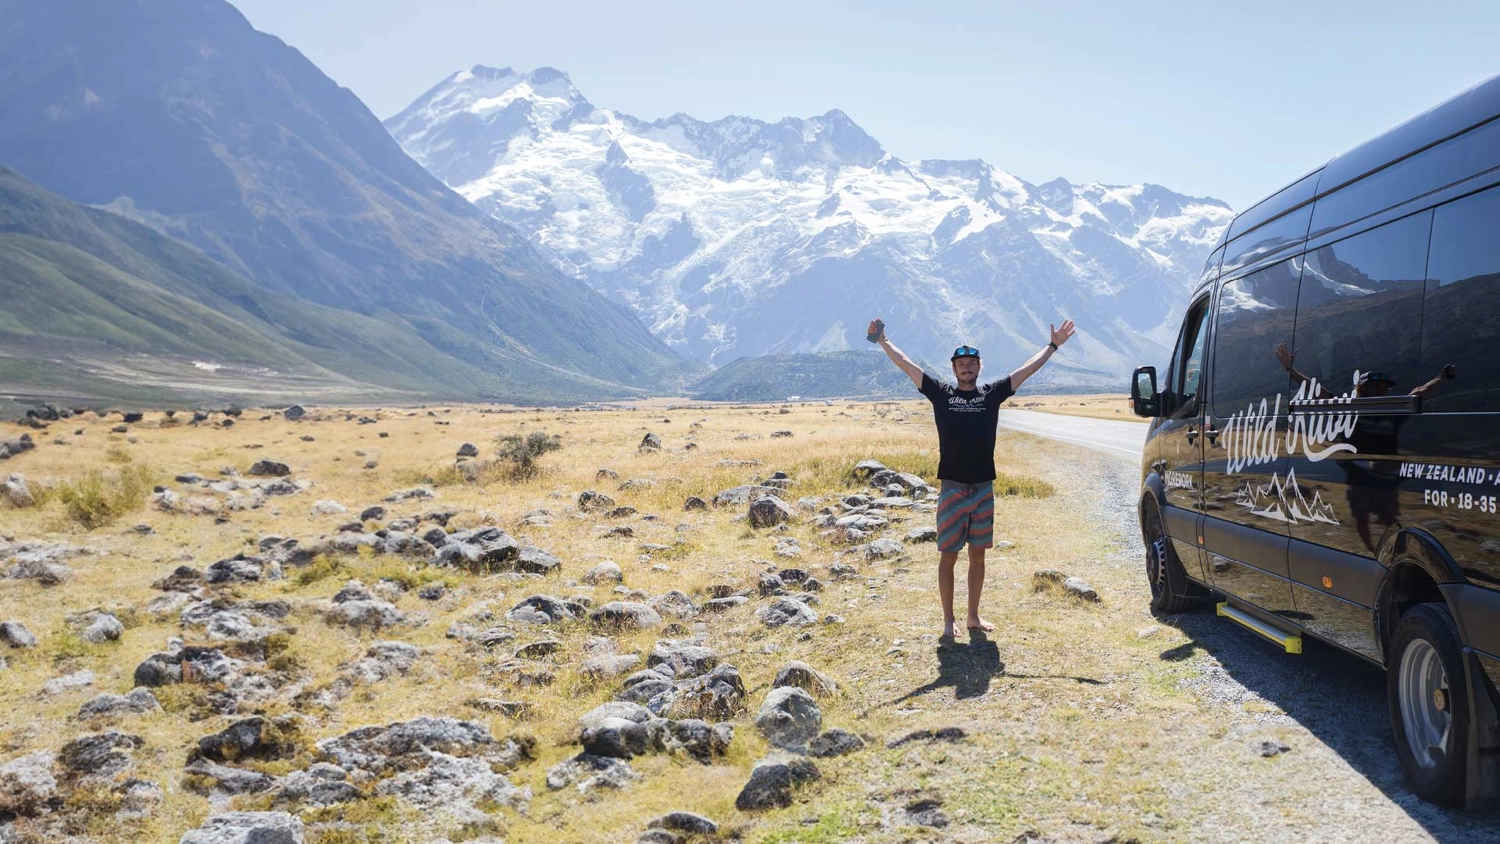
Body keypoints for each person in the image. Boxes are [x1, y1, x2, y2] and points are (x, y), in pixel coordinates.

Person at [870, 318, 1077, 638]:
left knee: (978, 555)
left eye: (971, 363)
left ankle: (973, 617)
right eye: (961, 364)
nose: (966, 368)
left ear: (980, 366)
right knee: (948, 555)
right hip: (951, 488)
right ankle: (948, 620)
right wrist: (883, 340)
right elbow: (907, 364)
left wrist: (1052, 346)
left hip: (982, 489)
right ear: (953, 369)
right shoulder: (940, 393)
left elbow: (1026, 369)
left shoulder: (991, 394)